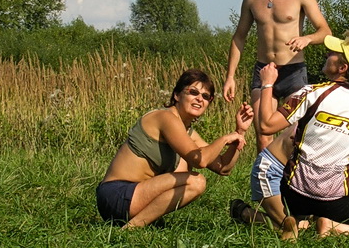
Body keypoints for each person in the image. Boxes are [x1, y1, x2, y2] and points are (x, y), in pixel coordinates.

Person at [255, 31, 349, 240]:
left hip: (294, 192)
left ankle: (293, 220)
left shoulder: (313, 92)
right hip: (331, 198)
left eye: (333, 53)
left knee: (293, 220)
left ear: (342, 68)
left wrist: (267, 84)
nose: (327, 54)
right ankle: (332, 226)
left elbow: (266, 126)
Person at [97, 69, 253, 228]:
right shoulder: (165, 117)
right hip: (116, 195)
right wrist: (225, 139)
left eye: (206, 96)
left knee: (193, 178)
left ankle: (139, 223)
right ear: (177, 95)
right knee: (196, 182)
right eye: (193, 92)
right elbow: (200, 160)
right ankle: (132, 227)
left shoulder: (188, 132)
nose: (200, 99)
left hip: (135, 198)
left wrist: (239, 132)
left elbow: (223, 167)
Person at [234, 82, 349, 241]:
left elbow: (340, 168)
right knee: (298, 228)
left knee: (306, 225)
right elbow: (336, 168)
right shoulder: (325, 126)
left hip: (298, 182)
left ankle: (278, 218)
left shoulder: (344, 127)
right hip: (271, 172)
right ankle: (245, 213)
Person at [222, 0, 331, 153]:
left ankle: (289, 175)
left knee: (292, 137)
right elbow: (239, 37)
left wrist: (307, 39)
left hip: (293, 71)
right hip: (264, 70)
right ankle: (263, 175)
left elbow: (325, 31)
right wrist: (230, 77)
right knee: (263, 135)